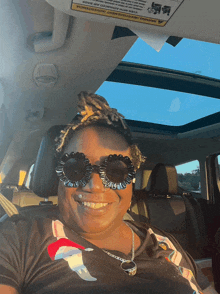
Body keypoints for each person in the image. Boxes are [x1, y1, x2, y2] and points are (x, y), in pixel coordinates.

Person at [0, 92, 217, 294]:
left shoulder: (162, 242)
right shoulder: (20, 237)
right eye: (75, 169)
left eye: (115, 171)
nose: (94, 185)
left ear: (131, 181)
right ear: (59, 175)